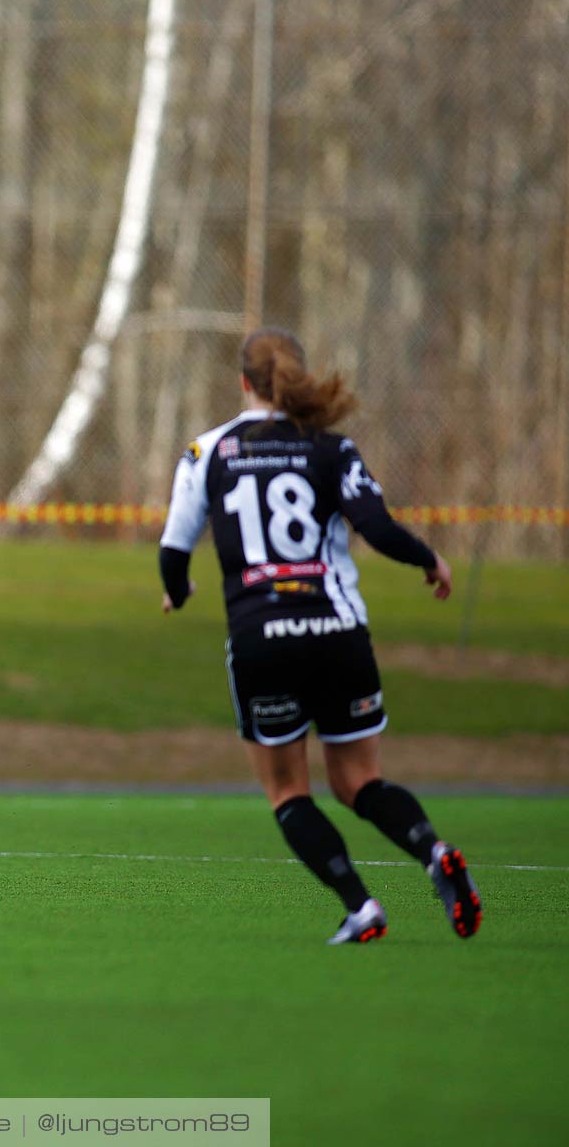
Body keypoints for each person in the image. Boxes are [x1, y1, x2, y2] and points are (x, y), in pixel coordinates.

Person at [159, 328, 481, 944]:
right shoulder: (332, 449)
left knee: (287, 789)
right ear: (299, 379)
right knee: (359, 780)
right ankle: (434, 851)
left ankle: (361, 907)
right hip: (338, 631)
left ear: (243, 383)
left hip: (263, 637)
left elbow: (174, 550)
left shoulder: (207, 453)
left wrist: (177, 591)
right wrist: (429, 561)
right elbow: (378, 527)